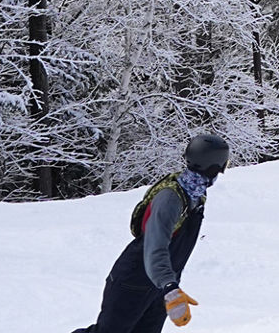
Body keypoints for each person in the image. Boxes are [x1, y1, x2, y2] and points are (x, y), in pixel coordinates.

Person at [76, 134, 230, 333]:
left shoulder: (196, 197)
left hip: (158, 288)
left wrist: (171, 285)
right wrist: (170, 287)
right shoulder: (171, 199)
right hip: (133, 282)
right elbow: (154, 247)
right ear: (213, 167)